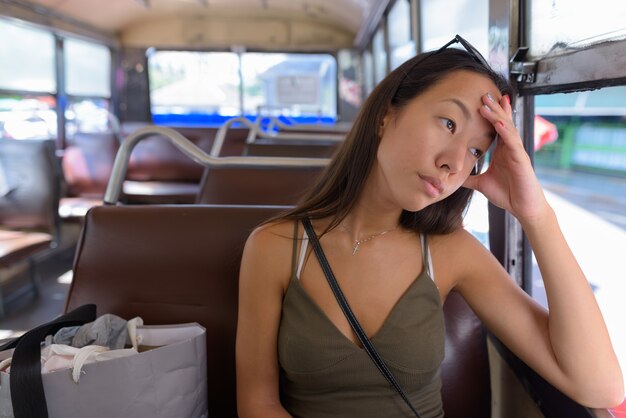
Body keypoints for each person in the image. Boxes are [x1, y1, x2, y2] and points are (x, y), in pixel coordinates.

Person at [235, 35, 625, 418]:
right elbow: (258, 403)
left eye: (476, 150)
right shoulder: (275, 245)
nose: (455, 163)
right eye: (448, 123)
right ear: (387, 115)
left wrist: (535, 213)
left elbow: (600, 386)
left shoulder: (451, 251)